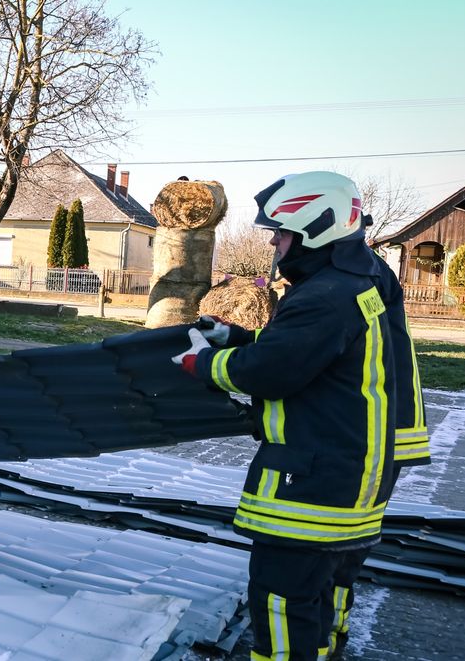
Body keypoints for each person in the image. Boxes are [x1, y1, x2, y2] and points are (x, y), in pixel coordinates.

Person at [171, 171, 397, 661]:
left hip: (313, 479)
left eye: (281, 231)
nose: (273, 241)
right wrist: (236, 338)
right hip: (347, 469)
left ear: (314, 228)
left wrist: (203, 363)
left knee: (281, 597)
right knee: (322, 586)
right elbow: (310, 353)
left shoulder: (325, 296)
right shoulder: (354, 281)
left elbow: (271, 371)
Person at [324, 246, 431, 659]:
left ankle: (325, 638)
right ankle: (332, 631)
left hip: (376, 434)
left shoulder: (354, 277)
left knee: (336, 544)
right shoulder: (370, 271)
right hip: (388, 430)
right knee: (345, 544)